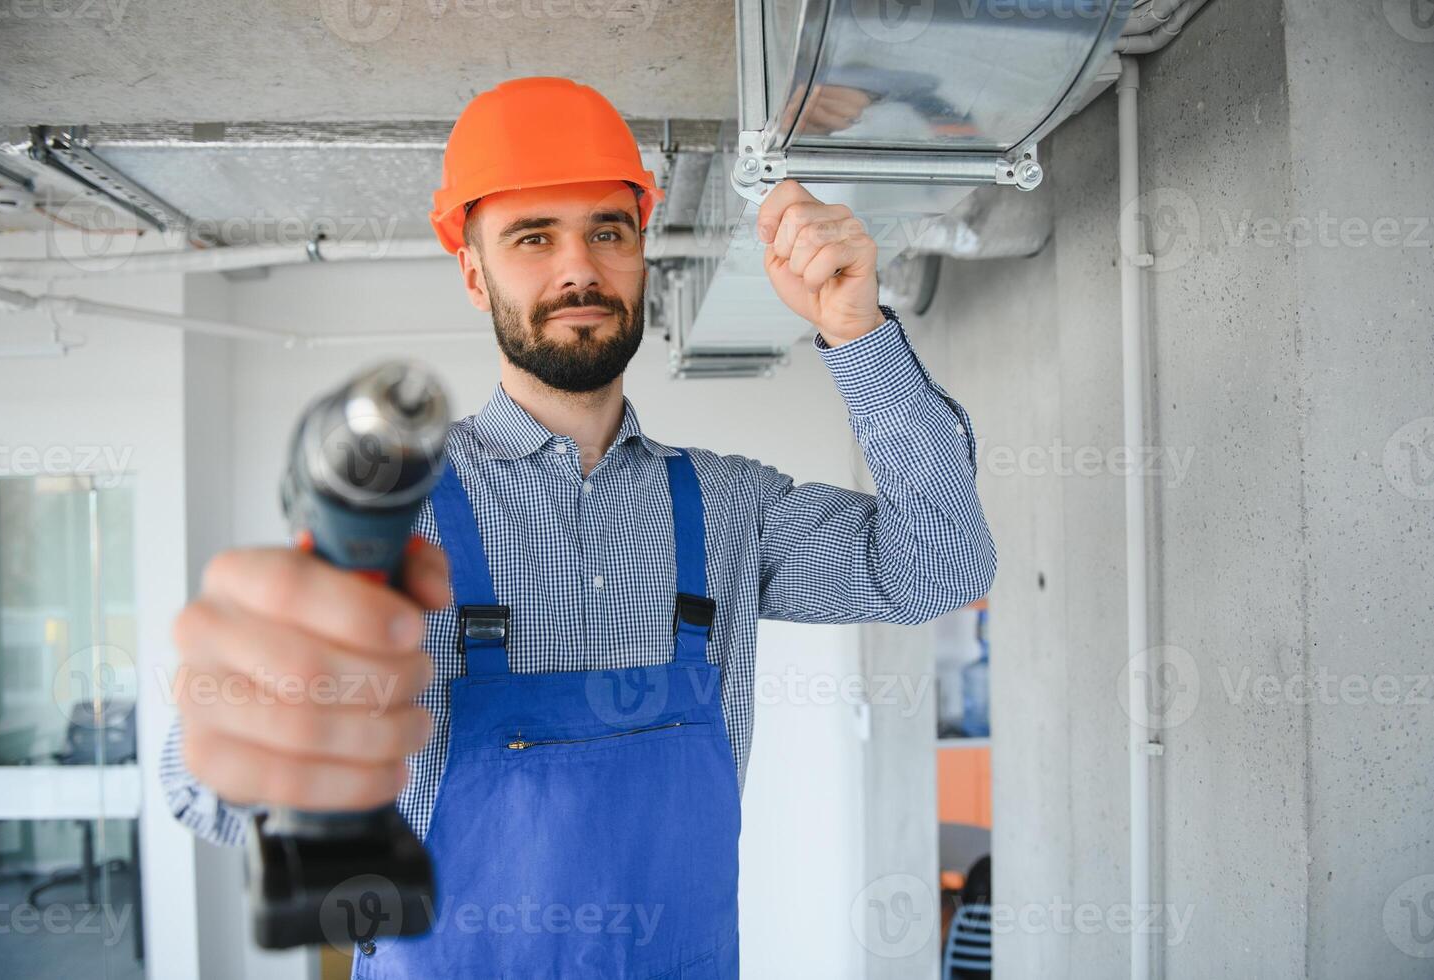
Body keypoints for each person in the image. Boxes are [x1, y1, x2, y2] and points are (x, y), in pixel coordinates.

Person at [161, 75, 995, 978]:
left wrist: (856, 330)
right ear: (473, 271)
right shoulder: (394, 525)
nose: (578, 268)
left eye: (608, 230)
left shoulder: (728, 506)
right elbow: (207, 793)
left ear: (642, 252)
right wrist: (251, 714)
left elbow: (938, 568)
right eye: (532, 237)